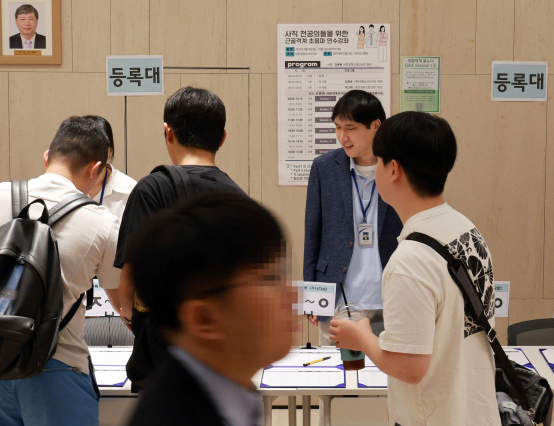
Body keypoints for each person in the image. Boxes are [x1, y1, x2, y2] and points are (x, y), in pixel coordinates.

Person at [0, 116, 123, 426]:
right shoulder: (103, 223)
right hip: (57, 366)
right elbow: (121, 298)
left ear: (48, 157)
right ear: (95, 169)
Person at [329, 111, 500, 426]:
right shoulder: (465, 229)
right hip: (477, 411)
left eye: (377, 160)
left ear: (393, 169)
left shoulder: (409, 261)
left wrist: (362, 337)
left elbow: (409, 367)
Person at [114, 86, 245, 390]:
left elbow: (129, 283)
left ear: (168, 132)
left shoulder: (153, 189)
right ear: (222, 137)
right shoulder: (239, 199)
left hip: (163, 358)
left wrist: (133, 317)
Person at [126, 192, 297, 426]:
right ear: (204, 318)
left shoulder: (227, 395)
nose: (293, 293)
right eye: (271, 278)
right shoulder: (171, 417)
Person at [304, 90, 402, 346]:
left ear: (375, 126)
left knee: (389, 380)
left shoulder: (397, 166)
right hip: (338, 298)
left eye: (350, 128)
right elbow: (312, 235)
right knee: (337, 381)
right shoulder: (324, 168)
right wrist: (311, 298)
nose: (342, 136)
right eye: (337, 127)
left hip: (390, 300)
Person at [80, 115, 137, 222]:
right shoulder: (68, 186)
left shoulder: (130, 191)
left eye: (97, 149)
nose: (90, 156)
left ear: (109, 152)